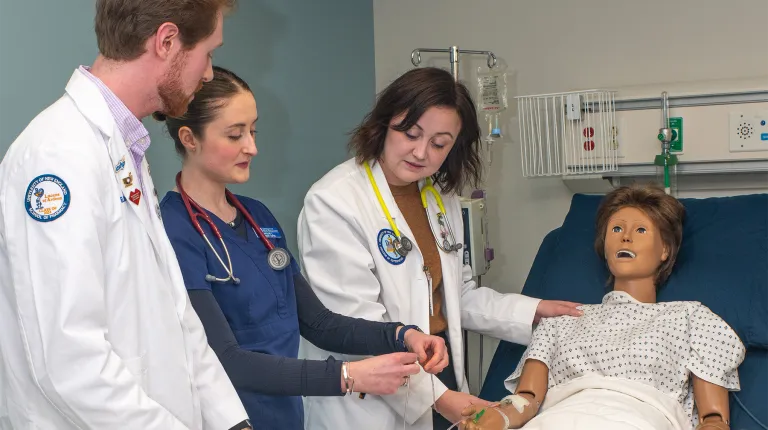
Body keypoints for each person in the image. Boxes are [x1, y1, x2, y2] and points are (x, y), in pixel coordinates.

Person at [0, 1, 253, 429]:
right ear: (167, 42)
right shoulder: (58, 156)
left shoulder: (123, 149)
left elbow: (177, 316)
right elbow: (68, 363)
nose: (209, 73)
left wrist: (232, 423)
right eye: (208, 53)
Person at [157, 65, 450, 429]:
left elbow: (319, 323)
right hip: (228, 420)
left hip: (287, 416)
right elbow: (227, 360)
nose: (252, 146)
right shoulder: (172, 229)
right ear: (189, 138)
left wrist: (400, 334)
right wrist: (347, 376)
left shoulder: (257, 217)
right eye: (235, 135)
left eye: (253, 130)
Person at [295, 66, 583, 430]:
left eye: (439, 143)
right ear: (384, 123)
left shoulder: (438, 197)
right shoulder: (335, 201)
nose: (421, 152)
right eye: (411, 134)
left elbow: (455, 297)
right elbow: (356, 328)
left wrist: (534, 312)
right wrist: (440, 399)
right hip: (367, 397)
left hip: (435, 368)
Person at [459, 183, 746, 430]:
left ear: (664, 250)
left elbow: (713, 417)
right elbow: (526, 398)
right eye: (617, 228)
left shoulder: (690, 317)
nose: (625, 236)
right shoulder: (561, 322)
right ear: (604, 245)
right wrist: (498, 417)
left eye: (641, 230)